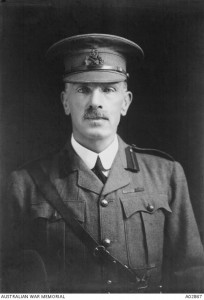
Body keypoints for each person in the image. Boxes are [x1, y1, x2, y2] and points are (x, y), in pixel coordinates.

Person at [2, 33, 204, 293]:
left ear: (126, 102)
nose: (95, 102)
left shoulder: (166, 175)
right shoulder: (24, 185)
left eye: (108, 89)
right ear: (65, 101)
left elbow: (192, 277)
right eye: (83, 89)